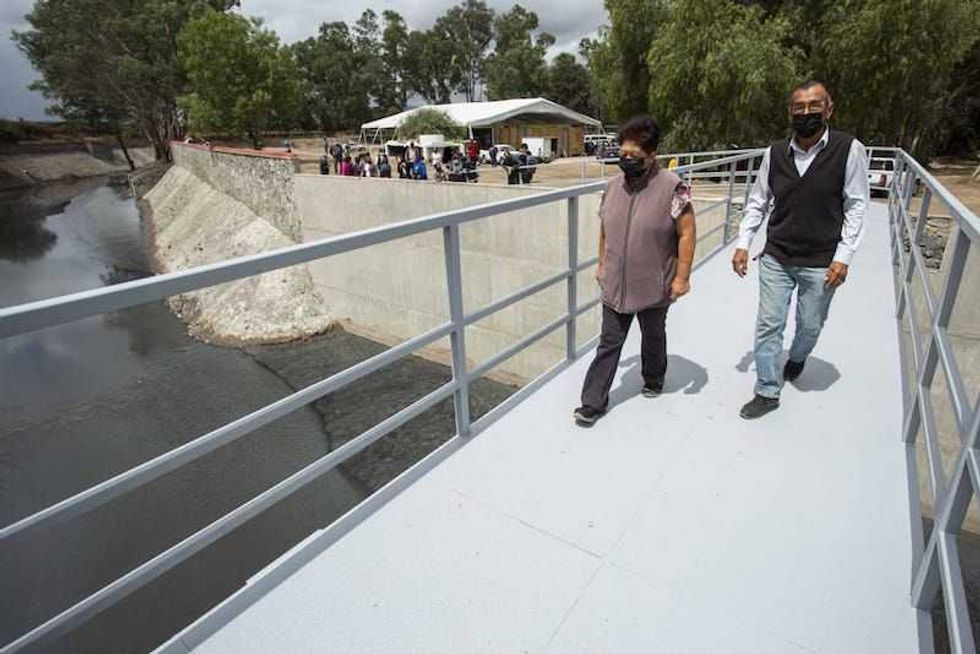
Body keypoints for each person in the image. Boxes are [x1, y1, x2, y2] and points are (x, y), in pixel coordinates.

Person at [732, 80, 868, 419]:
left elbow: (856, 205)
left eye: (814, 106)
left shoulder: (848, 149)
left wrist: (843, 257)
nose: (806, 113)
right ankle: (766, 389)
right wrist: (743, 243)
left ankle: (798, 356)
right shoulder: (775, 153)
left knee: (810, 324)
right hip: (777, 255)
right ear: (790, 112)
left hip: (821, 260)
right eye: (799, 107)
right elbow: (758, 201)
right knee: (769, 323)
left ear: (829, 109)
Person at [573, 115, 696, 425]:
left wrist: (682, 277)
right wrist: (602, 264)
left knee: (653, 335)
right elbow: (605, 229)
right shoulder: (612, 187)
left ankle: (653, 377)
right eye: (622, 154)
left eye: (635, 156)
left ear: (652, 155)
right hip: (615, 283)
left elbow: (687, 233)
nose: (626, 161)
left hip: (655, 284)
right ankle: (592, 402)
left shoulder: (673, 187)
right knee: (609, 342)